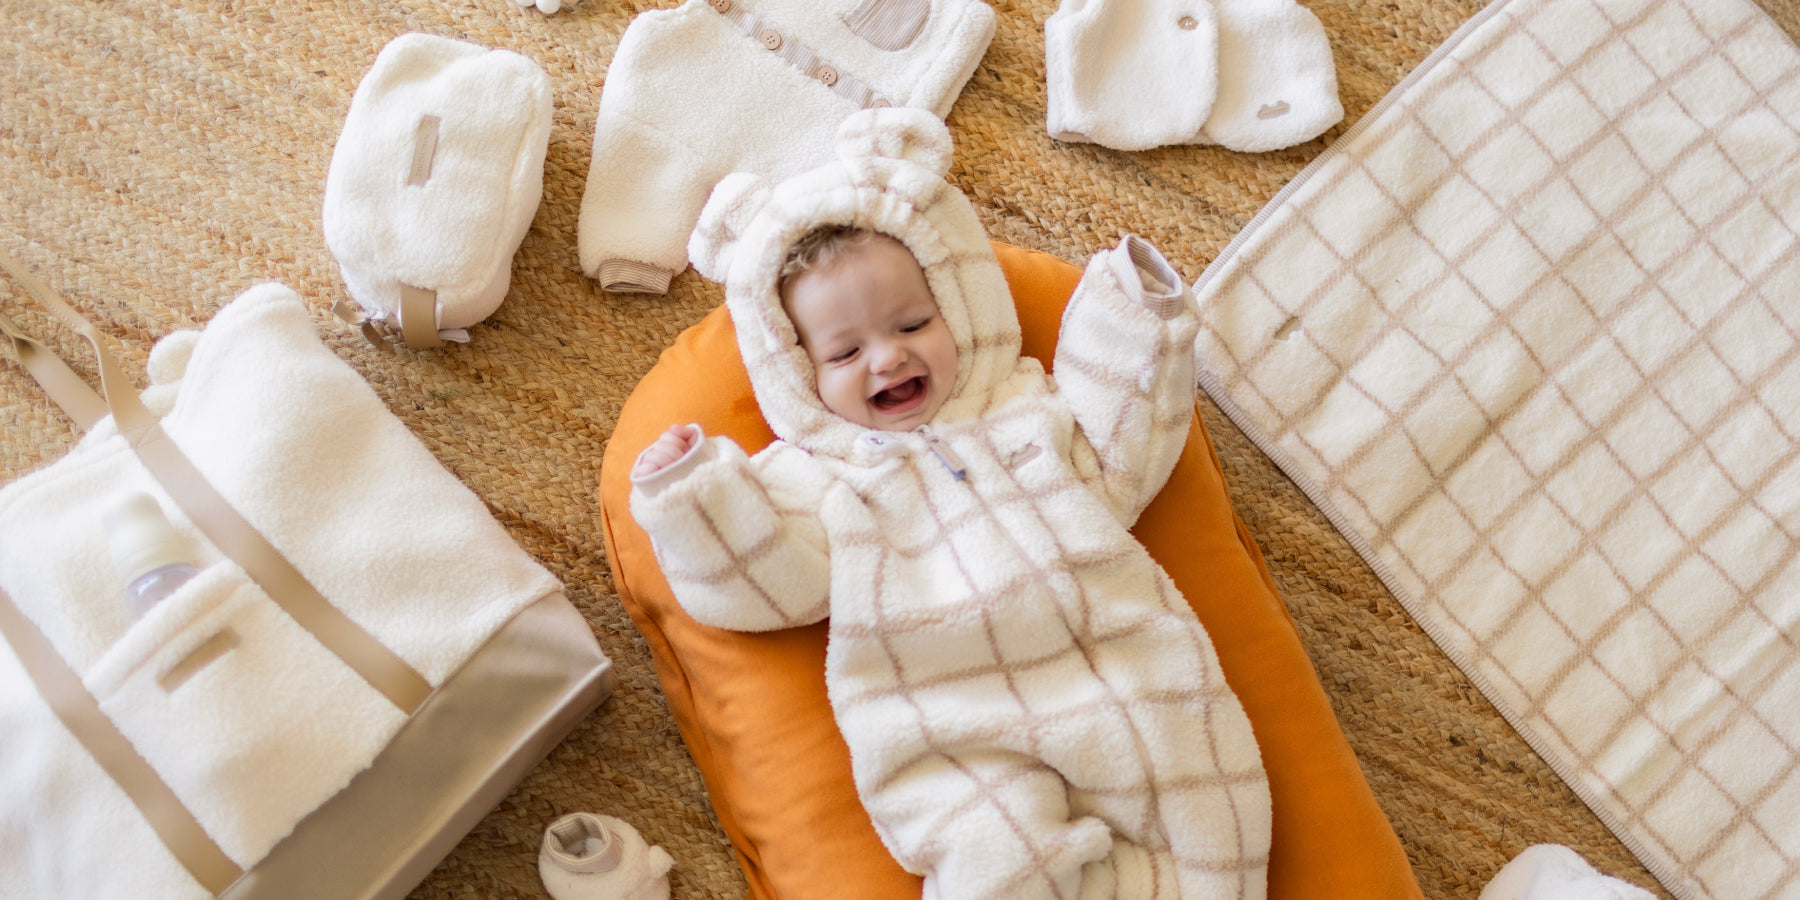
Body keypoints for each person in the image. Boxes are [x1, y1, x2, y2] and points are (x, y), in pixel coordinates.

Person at [628, 107, 1270, 900]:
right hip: (953, 732)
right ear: (798, 372)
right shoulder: (818, 479)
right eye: (846, 351)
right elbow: (761, 581)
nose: (888, 356)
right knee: (995, 866)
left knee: (1217, 824)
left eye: (912, 323)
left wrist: (1136, 316)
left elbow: (1124, 441)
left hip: (1122, 680)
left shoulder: (1028, 412)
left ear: (959, 308)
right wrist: (693, 495)